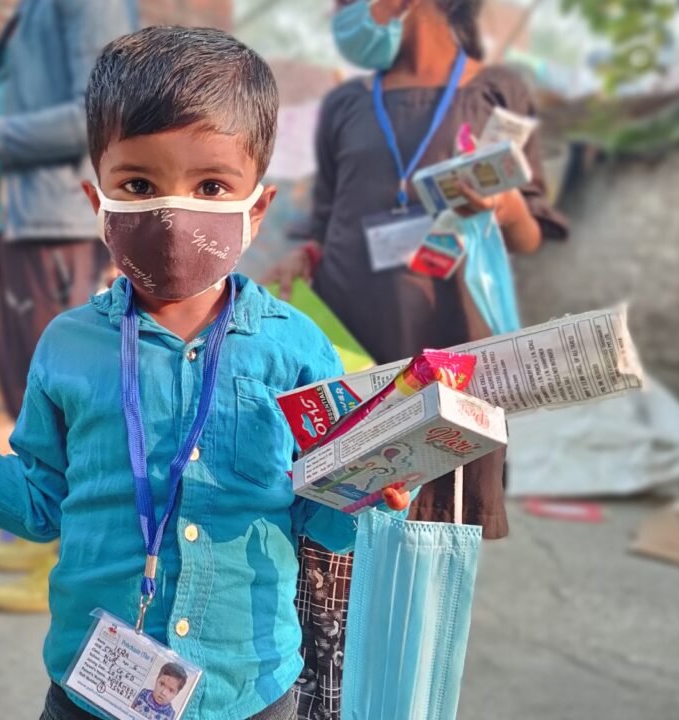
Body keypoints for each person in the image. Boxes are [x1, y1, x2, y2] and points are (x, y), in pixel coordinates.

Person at [0, 26, 409, 719]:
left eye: (211, 184)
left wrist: (368, 492)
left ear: (255, 209)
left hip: (248, 689)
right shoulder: (67, 347)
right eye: (139, 184)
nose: (173, 214)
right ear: (99, 203)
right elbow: (38, 504)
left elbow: (314, 517)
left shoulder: (298, 350)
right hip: (92, 690)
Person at [264, 1, 569, 717]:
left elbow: (528, 234)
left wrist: (502, 204)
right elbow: (326, 222)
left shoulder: (498, 93)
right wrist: (295, 261)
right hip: (343, 359)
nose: (343, 16)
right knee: (328, 567)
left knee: (424, 573)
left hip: (447, 364)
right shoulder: (345, 102)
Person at [0, 0, 139, 613]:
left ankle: (68, 552)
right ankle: (43, 522)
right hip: (21, 221)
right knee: (30, 388)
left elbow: (97, 115)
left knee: (66, 394)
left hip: (54, 224)